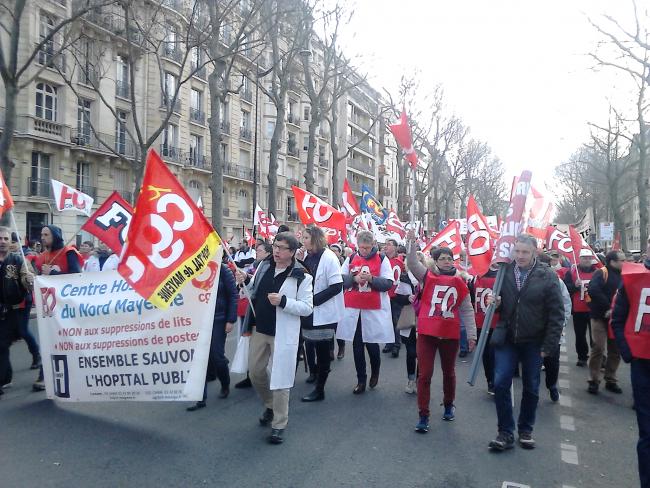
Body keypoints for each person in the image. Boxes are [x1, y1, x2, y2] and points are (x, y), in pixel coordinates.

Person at [487, 234, 564, 451]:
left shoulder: (547, 276)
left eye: (525, 252)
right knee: (501, 382)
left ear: (534, 253)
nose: (519, 256)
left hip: (534, 340)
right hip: (508, 337)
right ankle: (505, 432)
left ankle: (526, 429)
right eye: (517, 251)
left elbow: (556, 314)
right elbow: (500, 304)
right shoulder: (504, 271)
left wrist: (549, 346)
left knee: (531, 386)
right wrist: (496, 303)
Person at [240, 232, 313, 444]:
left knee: (281, 379)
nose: (277, 251)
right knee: (255, 372)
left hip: (283, 332)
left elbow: (307, 308)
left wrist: (284, 301)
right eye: (275, 246)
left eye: (282, 248)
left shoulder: (302, 276)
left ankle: (279, 424)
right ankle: (270, 405)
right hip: (260, 328)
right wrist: (244, 279)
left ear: (292, 252)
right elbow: (253, 289)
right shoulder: (264, 266)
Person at [406, 237, 476, 432]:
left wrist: (471, 335)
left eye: (450, 258)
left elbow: (467, 310)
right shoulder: (427, 276)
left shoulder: (461, 281)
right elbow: (412, 262)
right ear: (435, 261)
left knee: (449, 372)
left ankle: (448, 404)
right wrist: (410, 241)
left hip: (449, 333)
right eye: (443, 258)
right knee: (425, 374)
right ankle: (423, 414)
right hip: (428, 332)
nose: (447, 261)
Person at [611, 239, 650, 488]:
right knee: (648, 434)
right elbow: (618, 318)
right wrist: (629, 353)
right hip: (643, 365)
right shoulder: (633, 278)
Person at [337, 230, 394, 394]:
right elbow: (339, 279)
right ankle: (361, 379)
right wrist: (353, 279)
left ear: (373, 245)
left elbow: (388, 283)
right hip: (354, 308)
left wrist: (371, 279)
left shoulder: (382, 259)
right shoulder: (351, 257)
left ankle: (375, 371)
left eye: (368, 248)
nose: (364, 251)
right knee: (357, 345)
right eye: (362, 248)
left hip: (373, 308)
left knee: (372, 344)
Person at [32, 225, 82, 391]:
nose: (42, 237)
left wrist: (53, 274)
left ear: (55, 236)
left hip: (68, 307)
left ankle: (76, 372)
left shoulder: (68, 252)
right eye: (41, 234)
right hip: (50, 307)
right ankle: (44, 374)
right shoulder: (42, 256)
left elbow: (77, 277)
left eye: (46, 234)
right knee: (49, 339)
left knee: (67, 342)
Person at [299, 226, 343, 402]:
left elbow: (336, 286)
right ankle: (314, 374)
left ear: (316, 238)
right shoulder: (307, 256)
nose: (303, 240)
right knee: (311, 344)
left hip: (323, 312)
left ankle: (320, 389)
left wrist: (314, 300)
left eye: (306, 237)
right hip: (310, 310)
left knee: (323, 351)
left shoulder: (329, 258)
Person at [187, 264, 238, 411]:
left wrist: (230, 319)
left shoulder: (223, 270)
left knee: (217, 356)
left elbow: (233, 295)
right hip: (198, 319)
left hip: (218, 319)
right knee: (198, 358)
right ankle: (200, 398)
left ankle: (225, 382)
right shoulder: (191, 268)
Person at [0, 227, 34, 397]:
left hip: (13, 310)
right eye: (0, 238)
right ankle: (5, 377)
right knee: (2, 346)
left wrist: (29, 280)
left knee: (2, 344)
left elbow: (28, 282)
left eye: (6, 238)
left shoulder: (19, 260)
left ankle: (3, 378)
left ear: (10, 241)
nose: (2, 241)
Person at [586, 250, 625, 394]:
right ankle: (593, 380)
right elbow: (593, 290)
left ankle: (611, 379)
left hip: (616, 319)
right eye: (622, 260)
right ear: (612, 262)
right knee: (598, 348)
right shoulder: (601, 273)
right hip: (600, 317)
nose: (624, 262)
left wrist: (616, 311)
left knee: (615, 350)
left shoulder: (625, 275)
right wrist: (609, 307)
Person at [538, 252, 572, 402]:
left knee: (552, 362)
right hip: (533, 330)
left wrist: (561, 322)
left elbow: (566, 302)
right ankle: (532, 391)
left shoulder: (556, 281)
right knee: (533, 363)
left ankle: (552, 385)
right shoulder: (525, 280)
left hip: (552, 330)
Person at [9, 233, 40, 370]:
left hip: (22, 300)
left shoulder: (22, 258)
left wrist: (28, 280)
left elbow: (30, 280)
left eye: (13, 241)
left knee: (23, 330)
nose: (11, 244)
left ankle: (36, 355)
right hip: (6, 301)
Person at [564, 249, 600, 367]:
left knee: (594, 336)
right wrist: (574, 286)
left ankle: (597, 358)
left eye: (589, 258)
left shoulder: (598, 272)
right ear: (579, 259)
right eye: (584, 258)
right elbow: (565, 287)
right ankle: (582, 357)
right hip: (579, 309)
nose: (587, 260)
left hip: (594, 309)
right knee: (580, 335)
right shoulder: (572, 272)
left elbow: (603, 288)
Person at [471, 262, 500, 395]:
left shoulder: (474, 279)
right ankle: (493, 380)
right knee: (492, 353)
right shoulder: (500, 279)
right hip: (491, 322)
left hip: (483, 322)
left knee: (487, 353)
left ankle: (491, 381)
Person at [383, 238, 411, 358]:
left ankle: (396, 345)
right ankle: (389, 343)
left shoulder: (400, 261)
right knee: (387, 320)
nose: (386, 247)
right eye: (385, 244)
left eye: (389, 245)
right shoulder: (383, 260)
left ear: (395, 247)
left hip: (397, 295)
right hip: (385, 294)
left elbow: (405, 275)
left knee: (395, 320)